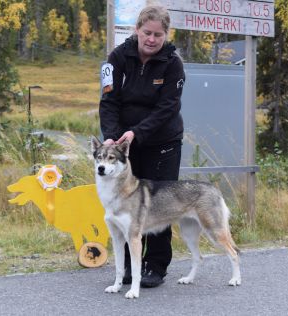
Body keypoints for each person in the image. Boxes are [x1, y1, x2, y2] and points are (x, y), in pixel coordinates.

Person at [99, 5, 185, 288]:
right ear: (137, 30)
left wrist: (137, 132)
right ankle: (125, 268)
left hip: (162, 141)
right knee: (123, 202)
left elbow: (167, 108)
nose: (151, 39)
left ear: (165, 35)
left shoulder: (173, 64)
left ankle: (155, 266)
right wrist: (112, 136)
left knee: (159, 203)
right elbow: (108, 101)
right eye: (147, 32)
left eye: (158, 35)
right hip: (123, 144)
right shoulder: (117, 58)